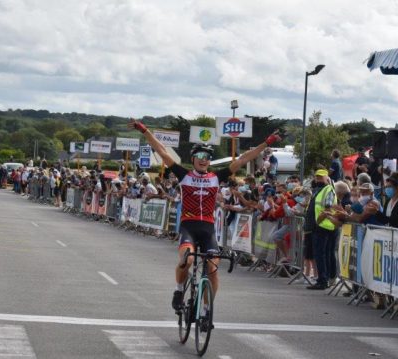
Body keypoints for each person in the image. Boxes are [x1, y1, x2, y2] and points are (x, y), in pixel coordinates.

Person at [128, 119, 282, 314]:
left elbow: (243, 159)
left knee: (212, 269)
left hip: (208, 228)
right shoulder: (184, 175)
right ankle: (178, 290)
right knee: (188, 260)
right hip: (188, 227)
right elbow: (161, 151)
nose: (204, 159)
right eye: (200, 155)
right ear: (193, 158)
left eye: (208, 156)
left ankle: (206, 309)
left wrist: (266, 143)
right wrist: (144, 130)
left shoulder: (216, 177)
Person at [304, 169, 338, 290]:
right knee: (324, 254)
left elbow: (327, 208)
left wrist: (318, 221)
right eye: (317, 177)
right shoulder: (317, 190)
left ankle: (323, 280)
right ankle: (326, 278)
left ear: (327, 178)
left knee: (321, 254)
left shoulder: (327, 189)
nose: (318, 179)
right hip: (321, 226)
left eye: (321, 177)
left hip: (323, 226)